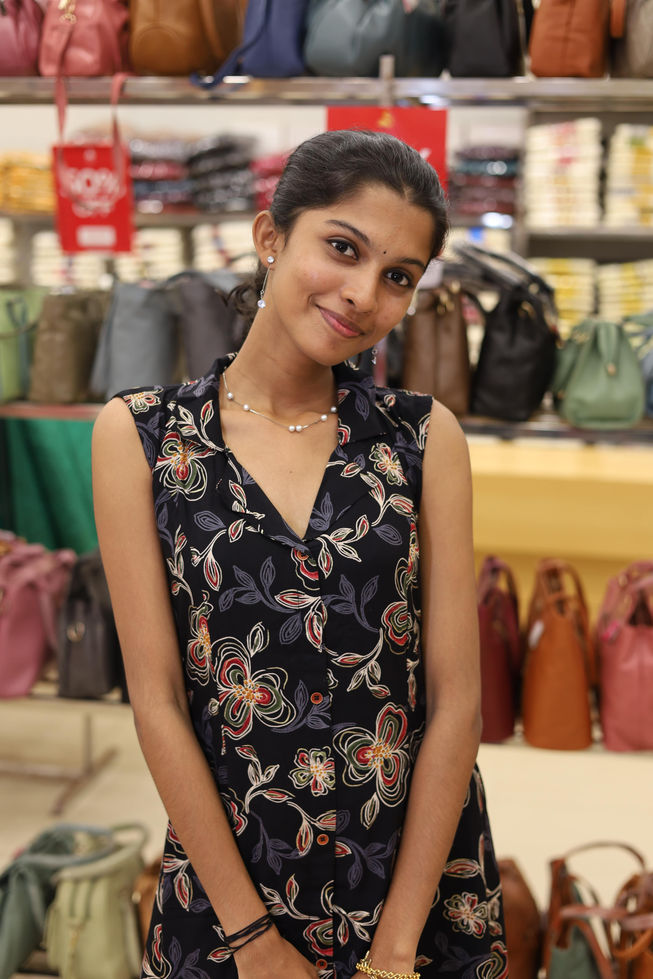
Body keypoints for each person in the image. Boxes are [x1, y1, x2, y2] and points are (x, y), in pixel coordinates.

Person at [92, 129, 506, 979]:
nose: (363, 294)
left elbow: (456, 702)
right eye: (342, 248)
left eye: (398, 276)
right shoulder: (144, 436)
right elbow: (158, 700)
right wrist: (251, 940)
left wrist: (395, 947)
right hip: (233, 879)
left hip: (414, 879)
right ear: (270, 234)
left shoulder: (422, 439)